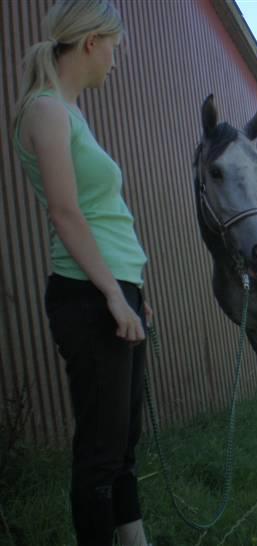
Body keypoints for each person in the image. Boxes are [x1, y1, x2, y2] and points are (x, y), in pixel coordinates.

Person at [12, 1, 152, 544]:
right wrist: (116, 298)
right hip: (90, 296)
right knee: (100, 450)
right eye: (113, 46)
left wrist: (134, 292)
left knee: (124, 442)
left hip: (116, 290)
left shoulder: (72, 113)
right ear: (92, 42)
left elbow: (104, 214)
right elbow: (66, 211)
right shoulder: (45, 110)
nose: (115, 60)